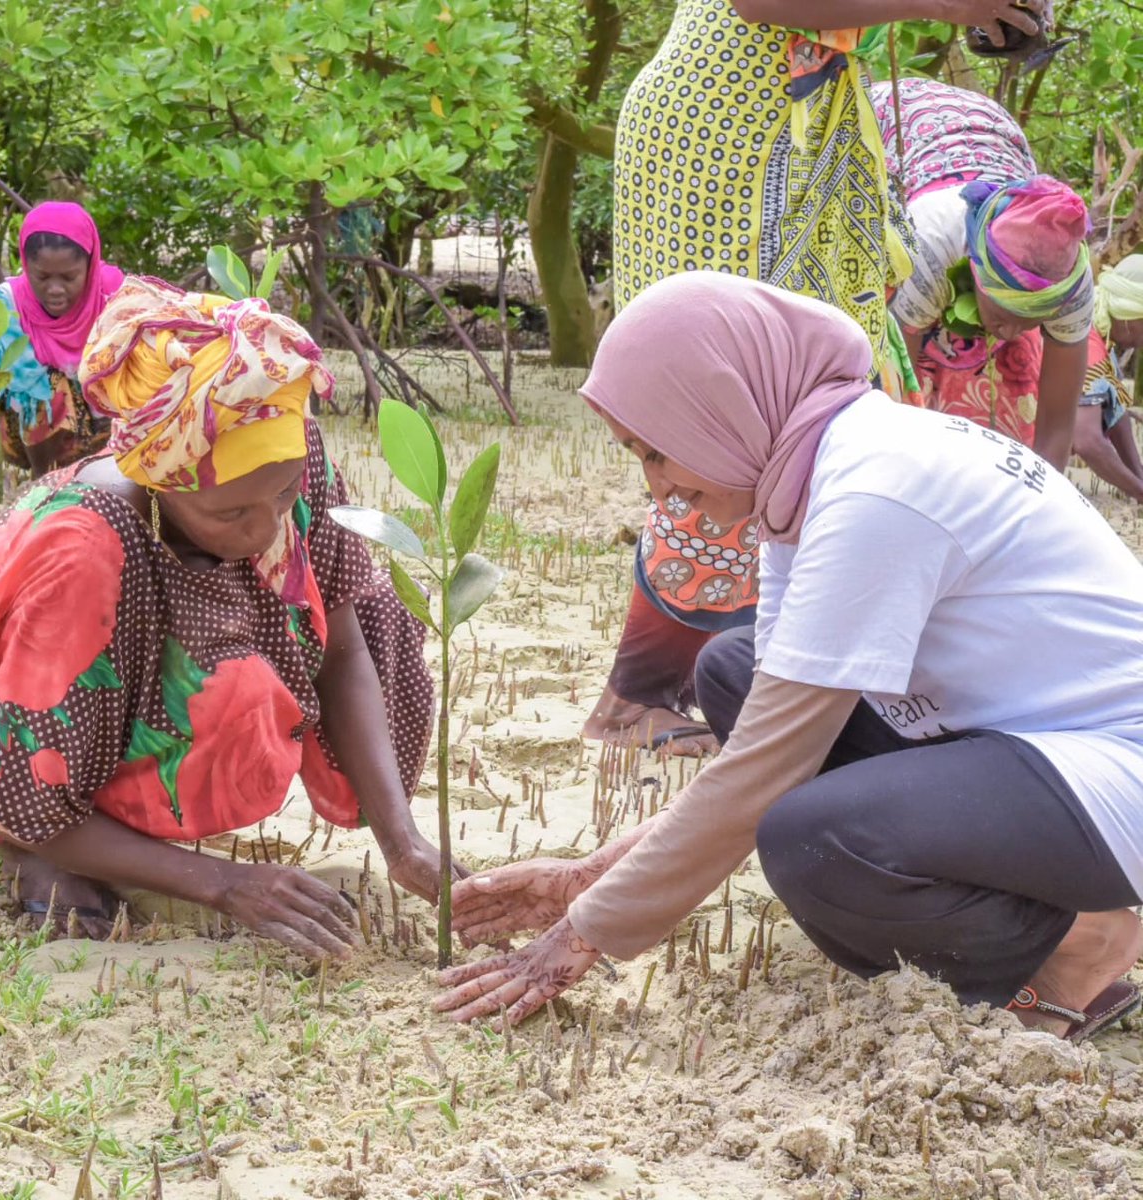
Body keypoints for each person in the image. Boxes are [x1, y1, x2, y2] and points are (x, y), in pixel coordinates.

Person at [435, 273, 1143, 1043]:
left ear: (721, 407)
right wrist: (588, 877)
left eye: (659, 451)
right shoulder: (807, 477)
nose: (661, 490)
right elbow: (767, 743)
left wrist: (581, 931)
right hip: (1018, 742)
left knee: (817, 842)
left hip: (1110, 768)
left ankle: (1078, 949)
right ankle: (1054, 914)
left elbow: (767, 775)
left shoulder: (876, 491)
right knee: (734, 671)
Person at [584, 2, 1053, 756]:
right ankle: (635, 696)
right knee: (726, 420)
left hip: (795, 131)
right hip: (731, 134)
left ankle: (770, 680)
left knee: (797, 415)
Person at [0, 276, 452, 957]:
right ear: (160, 483)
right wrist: (224, 883)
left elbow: (345, 650)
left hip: (82, 699)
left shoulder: (289, 458)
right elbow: (23, 775)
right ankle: (32, 847)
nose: (266, 526)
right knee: (228, 693)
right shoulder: (84, 549)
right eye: (230, 513)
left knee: (374, 601)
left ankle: (99, 832)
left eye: (281, 494)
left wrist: (406, 843)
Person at [871, 77, 1092, 469]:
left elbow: (1056, 429)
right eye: (1005, 317)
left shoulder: (1071, 282)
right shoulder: (927, 246)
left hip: (996, 135)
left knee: (1017, 381)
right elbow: (893, 396)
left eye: (1030, 322)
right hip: (899, 125)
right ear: (978, 271)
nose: (1008, 332)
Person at [0, 202, 125, 499]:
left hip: (111, 444)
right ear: (26, 264)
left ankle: (99, 478)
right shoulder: (5, 312)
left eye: (69, 277)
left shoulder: (117, 300)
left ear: (90, 265)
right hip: (27, 442)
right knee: (45, 383)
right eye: (43, 277)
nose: (56, 289)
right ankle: (44, 481)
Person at [1072, 255, 1143, 503]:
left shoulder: (1101, 331)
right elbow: (1088, 443)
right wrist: (1140, 492)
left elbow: (1117, 413)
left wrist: (1138, 478)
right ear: (1129, 315)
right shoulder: (1085, 342)